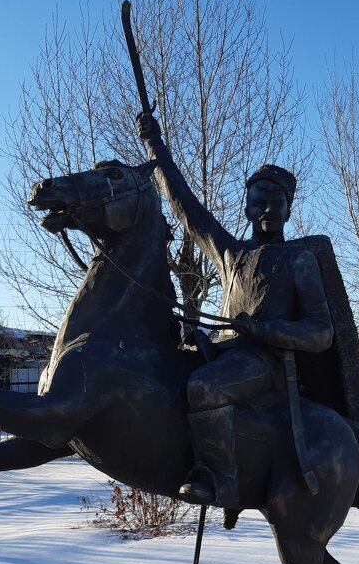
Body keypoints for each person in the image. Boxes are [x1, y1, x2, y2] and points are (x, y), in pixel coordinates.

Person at [137, 111, 334, 507]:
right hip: (221, 351)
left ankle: (222, 481)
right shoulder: (230, 253)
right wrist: (155, 147)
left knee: (203, 387)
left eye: (275, 203)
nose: (266, 210)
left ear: (289, 209)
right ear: (245, 207)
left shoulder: (299, 261)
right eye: (258, 202)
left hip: (267, 360)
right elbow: (187, 209)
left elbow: (321, 331)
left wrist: (264, 330)